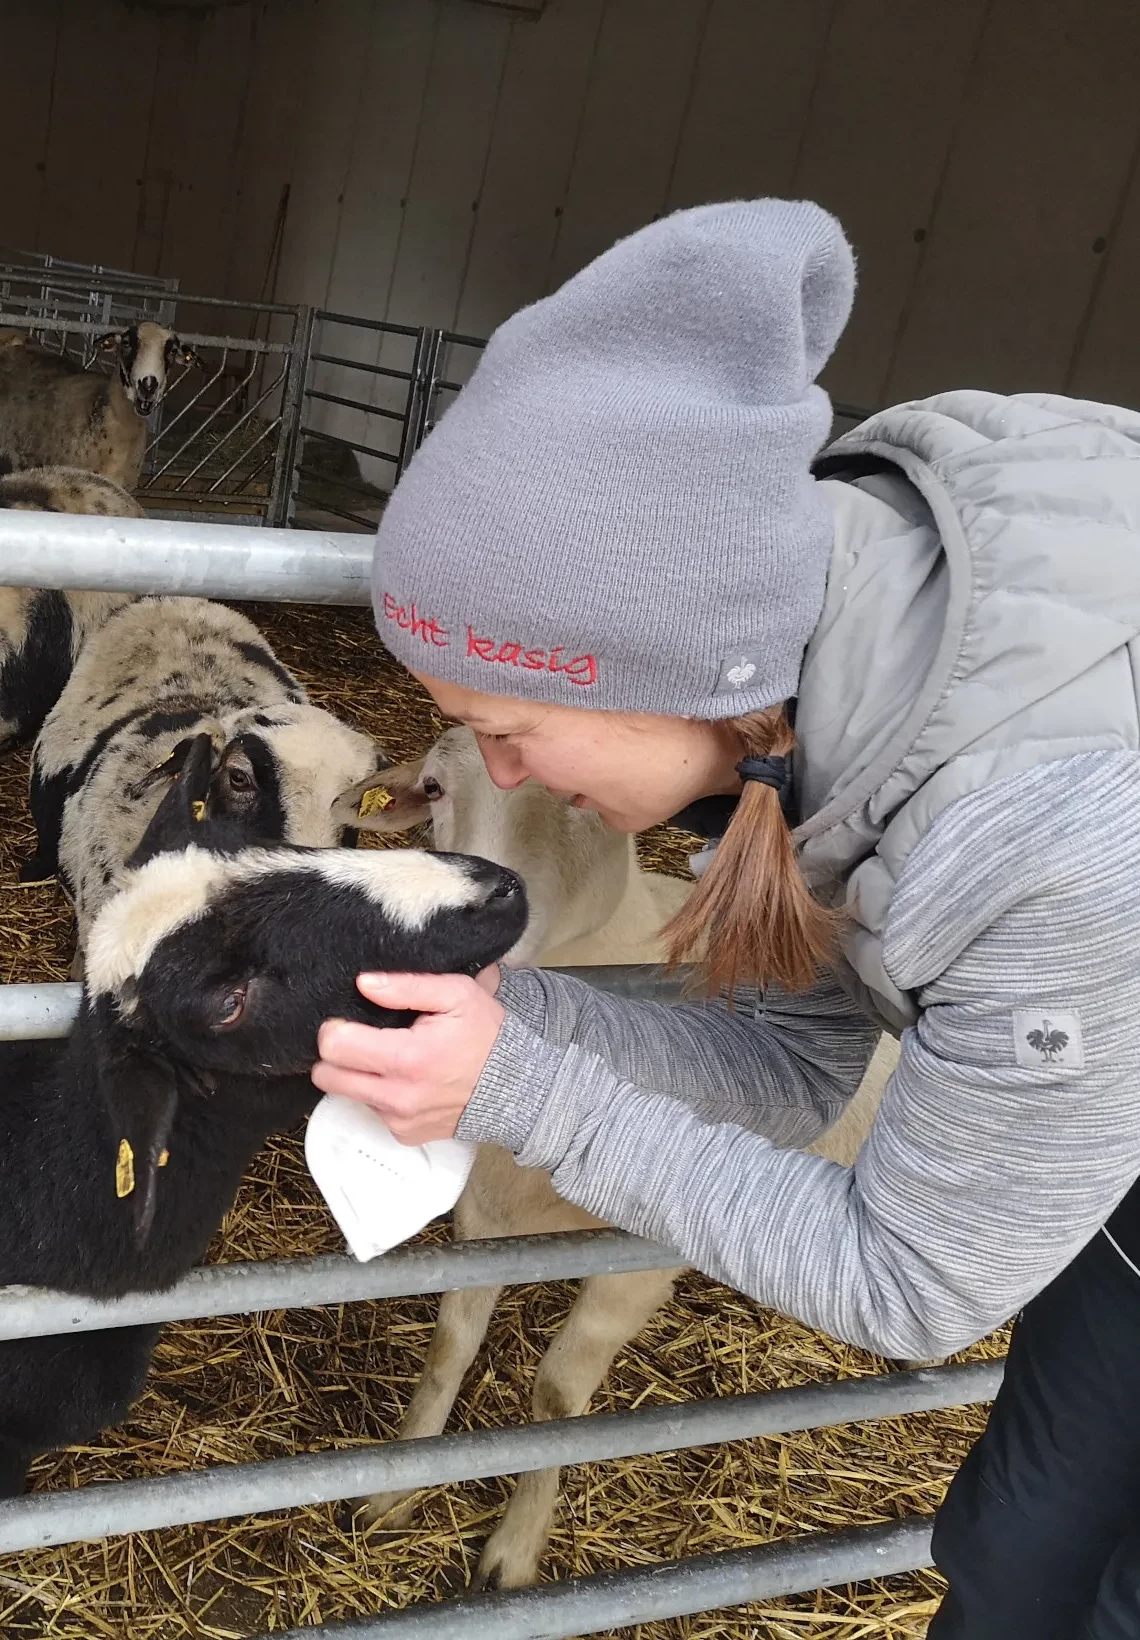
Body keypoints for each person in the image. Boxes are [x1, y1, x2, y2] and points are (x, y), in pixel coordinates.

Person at [309, 198, 1140, 1638]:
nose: (502, 777)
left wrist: (520, 1081)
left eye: (510, 729)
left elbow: (915, 1280)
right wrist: (517, 1014)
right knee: (1013, 1559)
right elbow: (793, 1065)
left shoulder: (1041, 840)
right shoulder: (831, 694)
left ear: (671, 672)